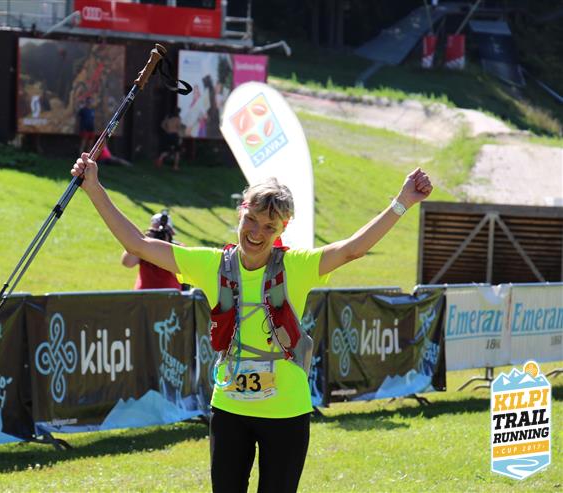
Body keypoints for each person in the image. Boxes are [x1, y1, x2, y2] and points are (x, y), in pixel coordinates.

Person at [71, 154, 433, 493]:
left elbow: (353, 248)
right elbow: (138, 245)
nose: (257, 232)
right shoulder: (211, 264)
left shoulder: (297, 266)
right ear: (240, 213)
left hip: (287, 411)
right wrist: (94, 188)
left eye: (268, 226)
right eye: (251, 220)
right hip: (230, 409)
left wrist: (403, 201)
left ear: (282, 229)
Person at [121, 211, 182, 290]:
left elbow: (178, 273)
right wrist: (141, 241)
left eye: (163, 232)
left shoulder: (178, 248)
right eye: (155, 232)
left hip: (169, 295)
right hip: (143, 295)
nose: (159, 235)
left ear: (171, 233)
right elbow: (127, 263)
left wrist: (166, 245)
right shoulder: (143, 246)